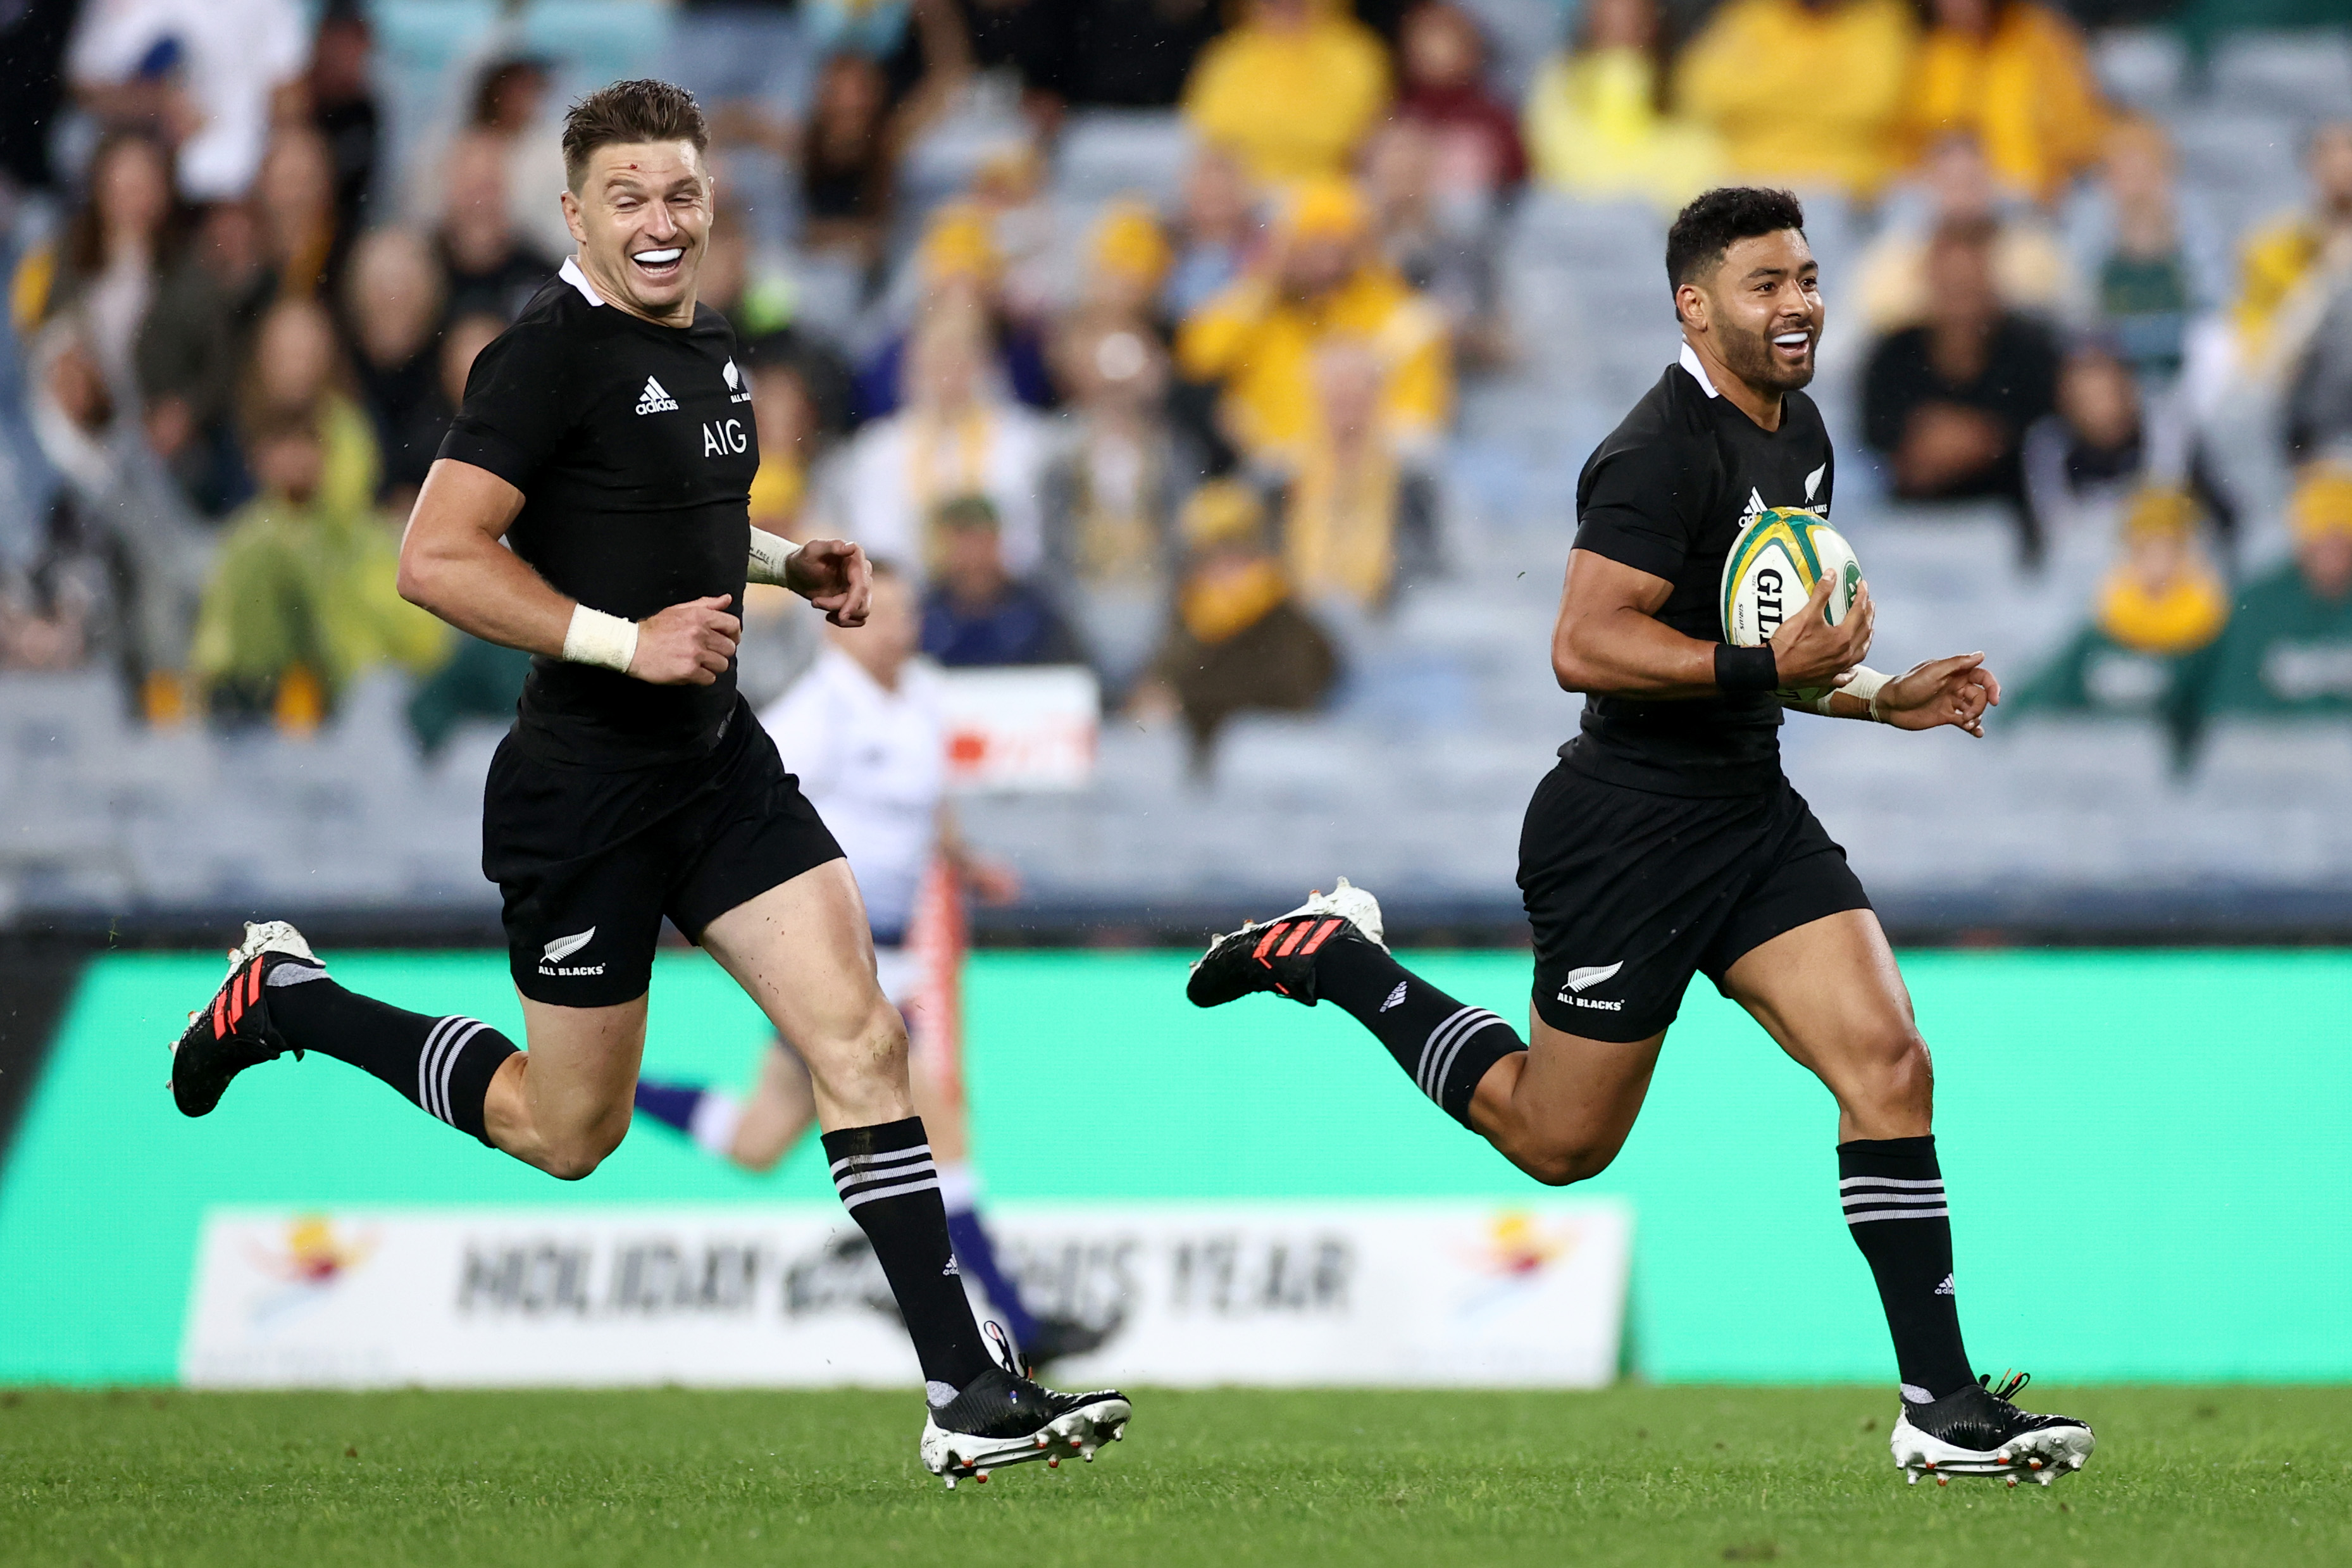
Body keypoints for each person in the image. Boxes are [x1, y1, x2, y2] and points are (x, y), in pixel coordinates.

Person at [165, 79, 1129, 1485]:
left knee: (860, 1041)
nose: (660, 221)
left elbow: (653, 519)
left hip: (716, 765)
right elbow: (434, 559)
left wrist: (786, 558)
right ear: (575, 213)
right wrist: (629, 643)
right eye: (628, 198)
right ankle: (296, 1000)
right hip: (585, 789)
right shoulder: (543, 355)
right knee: (569, 1134)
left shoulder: (711, 345)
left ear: (710, 201)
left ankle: (962, 1387)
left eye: (680, 192)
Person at [1183, 187, 2095, 1482]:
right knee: (1559, 1143)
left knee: (1890, 1063)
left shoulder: (1804, 435)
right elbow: (1584, 644)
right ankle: (1336, 959)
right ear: (1694, 304)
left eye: (1808, 278)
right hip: (1623, 828)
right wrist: (1759, 668)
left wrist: (1875, 694)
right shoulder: (1655, 449)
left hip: (1748, 811)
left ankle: (1938, 1405)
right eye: (1765, 285)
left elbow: (1763, 655)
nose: (1798, 305)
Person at [632, 561, 1107, 1365]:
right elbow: (731, 806)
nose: (905, 626)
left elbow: (926, 802)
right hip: (829, 951)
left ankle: (617, 1090)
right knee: (942, 1125)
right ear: (840, 623)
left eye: (912, 610)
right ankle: (1018, 1328)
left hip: (891, 950)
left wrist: (962, 857)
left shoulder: (919, 692)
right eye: (890, 613)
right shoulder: (815, 716)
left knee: (758, 1141)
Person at [1861, 215, 2061, 564]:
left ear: (1991, 278)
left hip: (2011, 535)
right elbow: (1877, 438)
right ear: (1928, 279)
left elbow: (2037, 432)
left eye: (1970, 281)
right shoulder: (1891, 352)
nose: (1960, 293)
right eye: (1950, 281)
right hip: (1910, 532)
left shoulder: (2031, 347)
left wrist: (1954, 443)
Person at [2010, 485, 2225, 764]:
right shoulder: (2100, 634)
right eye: (2145, 549)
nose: (2159, 565)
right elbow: (2036, 698)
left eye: (2172, 549)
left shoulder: (2214, 635)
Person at [1140, 478, 1337, 771]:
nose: (1223, 566)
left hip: (1262, 761)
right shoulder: (1190, 610)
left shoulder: (1284, 617)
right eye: (1210, 554)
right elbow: (1159, 675)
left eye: (1234, 551)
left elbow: (1291, 694)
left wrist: (1183, 700)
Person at [1676, 0, 1916, 201]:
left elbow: (1873, 103)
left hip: (1846, 188)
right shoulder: (1752, 14)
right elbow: (1701, 93)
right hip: (1746, 176)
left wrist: (1765, 80)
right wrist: (1821, 83)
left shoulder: (1878, 18)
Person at [1522, 0, 1724, 213]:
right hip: (1576, 213)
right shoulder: (1559, 78)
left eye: (1632, 9)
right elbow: (1558, 153)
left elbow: (1699, 156)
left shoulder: (1679, 79)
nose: (1619, 19)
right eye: (1609, 8)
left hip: (1656, 218)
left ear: (1653, 18)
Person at [1902, 0, 2107, 207]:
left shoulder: (2041, 38)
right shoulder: (1933, 51)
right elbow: (1913, 143)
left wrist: (2051, 184)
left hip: (2032, 197)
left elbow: (2080, 133)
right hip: (1951, 202)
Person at [2196, 463, 2352, 719]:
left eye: (2341, 537)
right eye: (2322, 533)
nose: (2331, 546)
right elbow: (2234, 707)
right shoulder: (2257, 606)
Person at [1180, 0, 1390, 187]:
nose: (1285, 7)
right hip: (1243, 194)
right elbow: (1208, 134)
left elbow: (1349, 135)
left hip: (1329, 190)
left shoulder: (1356, 54)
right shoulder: (1227, 55)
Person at [918, 494, 1085, 666]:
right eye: (963, 543)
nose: (974, 556)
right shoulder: (923, 616)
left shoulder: (1038, 613)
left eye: (982, 541)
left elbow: (1069, 676)